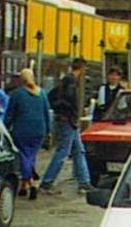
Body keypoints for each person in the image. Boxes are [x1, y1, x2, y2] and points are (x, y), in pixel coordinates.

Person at [40, 58, 93, 194]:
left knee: (78, 151)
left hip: (68, 120)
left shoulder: (64, 81)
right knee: (63, 152)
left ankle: (84, 182)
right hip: (69, 120)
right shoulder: (71, 82)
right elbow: (70, 99)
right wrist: (71, 112)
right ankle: (47, 182)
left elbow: (51, 96)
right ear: (82, 69)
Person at [4, 68, 51, 200]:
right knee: (31, 156)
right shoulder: (42, 93)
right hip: (39, 130)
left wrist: (4, 128)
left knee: (24, 156)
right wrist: (48, 131)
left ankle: (31, 183)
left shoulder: (17, 94)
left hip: (22, 131)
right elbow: (46, 113)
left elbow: (9, 115)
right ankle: (23, 187)